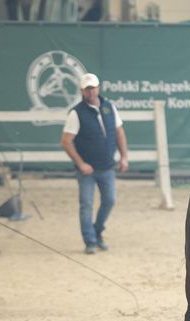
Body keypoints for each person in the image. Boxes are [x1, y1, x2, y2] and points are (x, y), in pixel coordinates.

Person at [61, 73, 128, 255]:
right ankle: (90, 240)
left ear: (98, 88)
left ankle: (97, 231)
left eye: (93, 87)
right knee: (86, 205)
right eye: (87, 89)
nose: (91, 91)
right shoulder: (76, 113)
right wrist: (81, 163)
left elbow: (119, 132)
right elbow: (66, 141)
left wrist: (124, 156)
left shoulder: (109, 107)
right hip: (87, 171)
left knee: (110, 200)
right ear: (82, 91)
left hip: (107, 166)